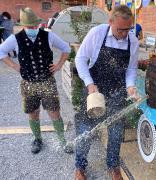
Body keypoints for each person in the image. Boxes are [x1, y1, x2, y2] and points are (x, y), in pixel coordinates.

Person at [74, 5, 139, 180]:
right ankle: (80, 166)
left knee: (116, 131)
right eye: (121, 29)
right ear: (110, 22)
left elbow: (131, 69)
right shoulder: (97, 33)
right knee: (85, 129)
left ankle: (112, 166)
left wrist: (130, 86)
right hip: (94, 91)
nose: (125, 34)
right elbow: (80, 59)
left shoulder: (133, 41)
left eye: (128, 29)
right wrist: (89, 84)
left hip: (117, 92)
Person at [0, 7, 73, 154]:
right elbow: (1, 51)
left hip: (47, 81)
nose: (33, 28)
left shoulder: (49, 36)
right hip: (28, 83)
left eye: (35, 25)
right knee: (33, 113)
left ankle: (62, 139)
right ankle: (37, 139)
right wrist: (14, 66)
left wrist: (58, 65)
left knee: (55, 112)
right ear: (24, 25)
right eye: (30, 26)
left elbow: (67, 48)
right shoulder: (15, 38)